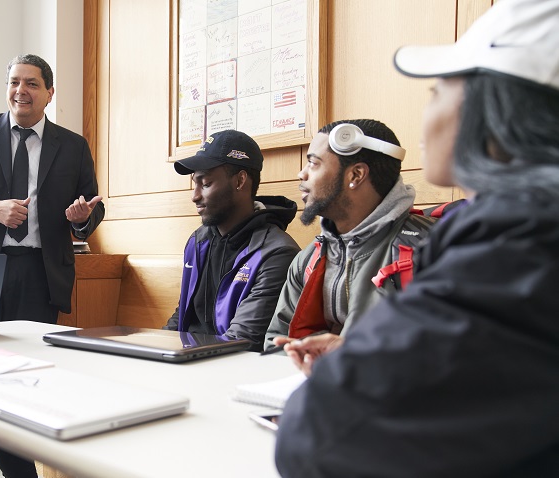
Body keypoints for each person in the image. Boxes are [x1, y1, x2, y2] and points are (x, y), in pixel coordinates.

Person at [275, 0, 559, 475]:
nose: (426, 118)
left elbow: (320, 435)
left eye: (437, 92)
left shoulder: (515, 247)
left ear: (491, 111)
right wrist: (361, 356)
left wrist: (361, 368)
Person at [0, 54, 103, 477]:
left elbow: (92, 206)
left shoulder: (73, 146)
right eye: (14, 81)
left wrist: (81, 219)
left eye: (31, 83)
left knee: (22, 377)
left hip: (39, 272)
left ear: (49, 93)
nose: (21, 91)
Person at [263, 119, 433, 353]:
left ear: (356, 175)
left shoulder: (429, 250)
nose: (301, 173)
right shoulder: (308, 259)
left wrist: (340, 362)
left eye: (313, 163)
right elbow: (276, 344)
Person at [164, 129, 300, 351]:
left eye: (205, 183)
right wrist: (155, 349)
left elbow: (241, 340)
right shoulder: (198, 241)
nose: (194, 196)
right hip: (191, 360)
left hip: (234, 365)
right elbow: (183, 315)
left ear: (240, 181)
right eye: (194, 183)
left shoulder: (276, 253)